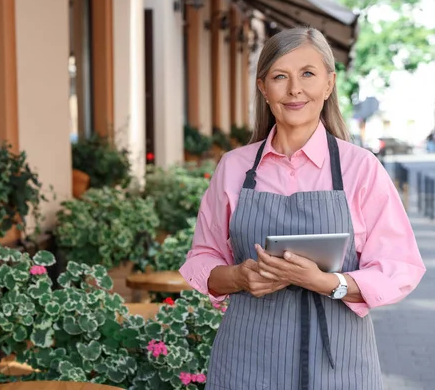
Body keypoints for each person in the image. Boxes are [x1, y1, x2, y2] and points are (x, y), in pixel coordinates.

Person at [179, 27, 425, 390]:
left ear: (329, 84)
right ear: (264, 89)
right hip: (246, 359)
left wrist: (327, 283)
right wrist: (239, 277)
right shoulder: (234, 167)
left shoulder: (362, 169)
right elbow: (202, 259)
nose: (295, 89)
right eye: (280, 76)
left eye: (307, 74)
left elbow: (400, 267)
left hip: (339, 361)